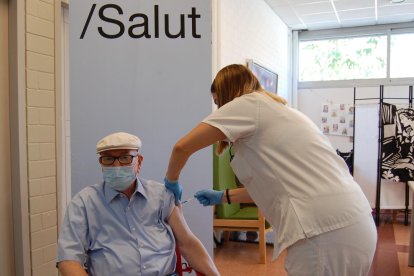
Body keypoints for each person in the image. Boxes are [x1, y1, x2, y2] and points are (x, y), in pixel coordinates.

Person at [164, 64, 377, 276]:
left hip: (324, 231)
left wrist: (171, 181)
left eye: (218, 102)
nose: (219, 110)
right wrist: (222, 196)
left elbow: (181, 147)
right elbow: (274, 185)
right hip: (357, 222)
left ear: (228, 93)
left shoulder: (246, 104)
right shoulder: (281, 111)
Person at [57, 132, 219, 276]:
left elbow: (188, 243)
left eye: (125, 158)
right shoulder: (84, 203)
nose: (116, 166)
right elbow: (68, 260)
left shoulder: (162, 196)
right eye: (108, 159)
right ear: (101, 164)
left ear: (139, 162)